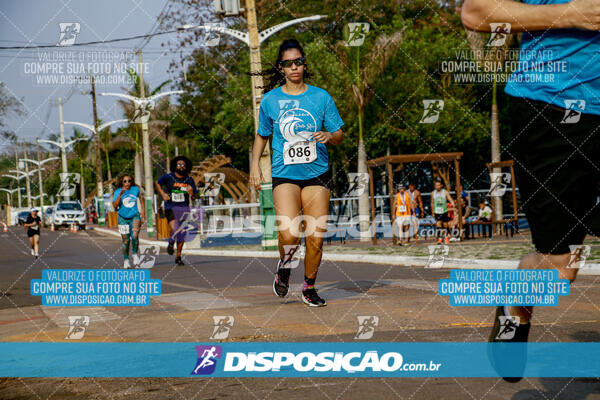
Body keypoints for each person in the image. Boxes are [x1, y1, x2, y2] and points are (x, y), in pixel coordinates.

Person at [462, 0, 600, 381]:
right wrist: (569, 15)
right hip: (551, 107)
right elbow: (476, 12)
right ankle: (514, 303)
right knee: (560, 268)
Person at [249, 38, 344, 307]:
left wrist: (329, 135)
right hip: (285, 175)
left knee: (315, 237)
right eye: (288, 64)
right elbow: (261, 136)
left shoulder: (321, 97)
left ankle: (309, 287)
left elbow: (339, 134)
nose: (294, 67)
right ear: (280, 67)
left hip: (317, 174)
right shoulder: (270, 100)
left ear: (304, 64)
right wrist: (255, 165)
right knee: (290, 234)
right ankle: (285, 265)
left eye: (298, 62)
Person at [155, 156, 198, 266]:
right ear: (175, 166)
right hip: (171, 207)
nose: (181, 167)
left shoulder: (189, 180)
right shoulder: (169, 177)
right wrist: (163, 194)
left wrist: (192, 192)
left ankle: (178, 256)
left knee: (182, 234)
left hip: (184, 209)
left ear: (186, 167)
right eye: (179, 164)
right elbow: (157, 183)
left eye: (183, 165)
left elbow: (194, 197)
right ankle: (170, 241)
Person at [113, 173, 145, 269]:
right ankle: (126, 260)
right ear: (122, 182)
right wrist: (120, 195)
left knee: (135, 236)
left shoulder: (135, 189)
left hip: (134, 216)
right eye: (125, 181)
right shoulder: (117, 191)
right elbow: (115, 205)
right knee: (126, 240)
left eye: (129, 181)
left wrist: (143, 211)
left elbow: (141, 198)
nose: (127, 183)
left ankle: (135, 254)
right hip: (122, 218)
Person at [431, 179, 455, 244]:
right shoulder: (433, 193)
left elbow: (450, 199)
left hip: (444, 210)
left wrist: (453, 204)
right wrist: (432, 212)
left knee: (445, 224)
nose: (437, 187)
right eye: (436, 185)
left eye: (438, 185)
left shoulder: (445, 192)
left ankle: (446, 237)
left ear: (441, 186)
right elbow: (432, 203)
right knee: (438, 224)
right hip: (437, 211)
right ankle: (440, 238)